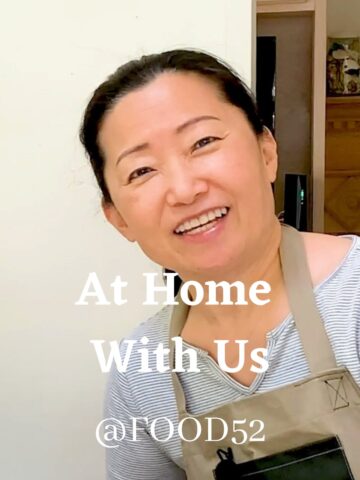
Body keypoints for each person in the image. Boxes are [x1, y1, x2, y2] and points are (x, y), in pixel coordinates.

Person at [80, 49, 360, 479]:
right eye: (141, 171)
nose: (184, 189)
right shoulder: (140, 372)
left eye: (203, 142)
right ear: (118, 217)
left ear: (266, 151)